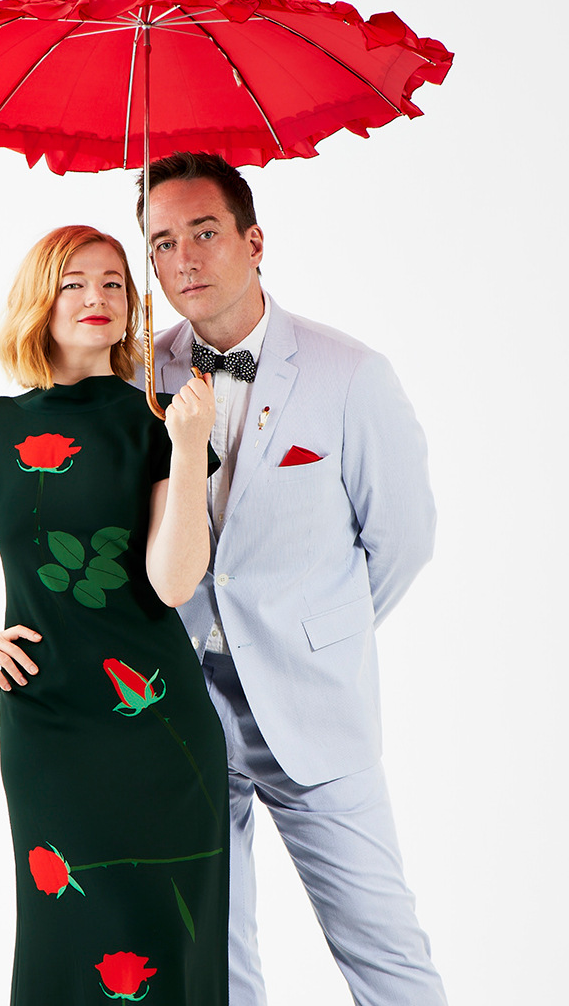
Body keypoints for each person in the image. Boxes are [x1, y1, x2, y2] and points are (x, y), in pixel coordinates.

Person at [136, 153, 448, 1006]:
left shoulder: (351, 374)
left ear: (254, 241)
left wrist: (319, 630)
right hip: (182, 711)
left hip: (314, 709)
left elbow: (403, 539)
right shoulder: (141, 379)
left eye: (204, 232)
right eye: (162, 242)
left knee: (386, 954)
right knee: (211, 963)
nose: (184, 259)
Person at [0, 225, 230, 1006]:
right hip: (47, 728)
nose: (97, 297)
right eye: (74, 282)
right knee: (66, 931)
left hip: (159, 731)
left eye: (114, 283)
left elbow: (174, 582)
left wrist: (188, 449)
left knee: (165, 941)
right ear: (40, 301)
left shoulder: (158, 420)